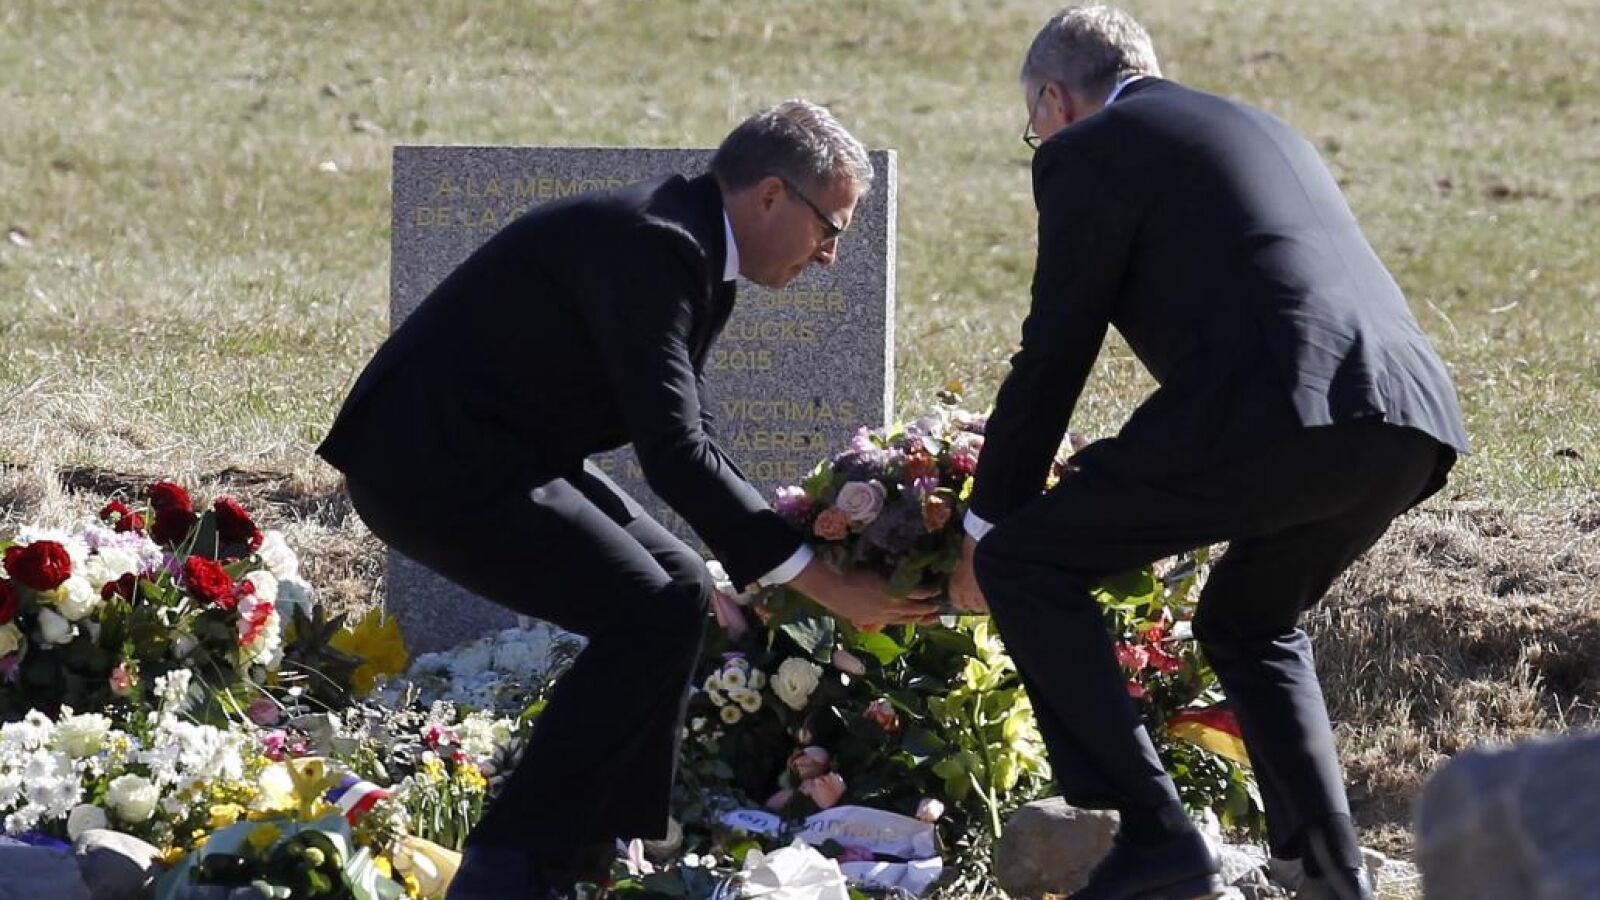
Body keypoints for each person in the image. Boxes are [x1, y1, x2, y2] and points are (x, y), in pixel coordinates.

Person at [317, 99, 936, 898]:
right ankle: (509, 871)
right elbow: (674, 454)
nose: (830, 256)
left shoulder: (693, 248)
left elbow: (696, 435)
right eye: (831, 228)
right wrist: (819, 582)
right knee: (649, 606)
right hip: (428, 466)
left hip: (497, 454)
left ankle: (595, 853)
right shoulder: (659, 245)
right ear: (771, 196)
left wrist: (793, 552)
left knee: (682, 586)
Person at [946, 8, 1468, 900]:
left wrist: (985, 525)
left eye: (1034, 124)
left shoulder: (1091, 147)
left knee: (1025, 561)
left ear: (1053, 100)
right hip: (1409, 419)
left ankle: (1154, 839)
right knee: (1249, 620)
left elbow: (1055, 349)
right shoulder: (1257, 124)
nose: (1040, 139)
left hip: (1281, 410)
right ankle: (1329, 870)